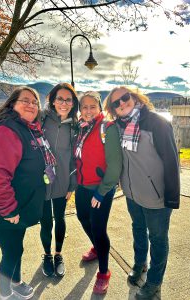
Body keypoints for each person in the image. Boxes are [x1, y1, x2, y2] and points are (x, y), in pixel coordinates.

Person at [104, 86, 180, 300]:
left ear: (134, 97)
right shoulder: (117, 127)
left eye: (125, 98)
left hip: (157, 197)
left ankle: (154, 282)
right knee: (138, 229)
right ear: (112, 110)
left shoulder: (157, 122)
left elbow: (172, 162)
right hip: (131, 194)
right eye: (115, 103)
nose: (121, 104)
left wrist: (172, 197)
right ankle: (140, 264)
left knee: (158, 239)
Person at [0, 86, 50, 300]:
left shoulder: (28, 129)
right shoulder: (8, 130)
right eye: (25, 100)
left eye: (35, 102)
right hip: (4, 210)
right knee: (12, 252)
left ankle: (16, 282)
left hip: (19, 207)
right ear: (12, 104)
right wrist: (8, 210)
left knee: (16, 248)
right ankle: (5, 294)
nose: (31, 105)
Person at [74, 91, 122, 294]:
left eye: (92, 106)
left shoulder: (107, 128)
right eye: (84, 106)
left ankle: (104, 272)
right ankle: (97, 247)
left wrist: (101, 192)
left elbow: (115, 165)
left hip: (101, 188)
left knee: (99, 228)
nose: (88, 110)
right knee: (83, 219)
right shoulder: (81, 128)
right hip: (82, 186)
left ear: (100, 108)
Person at [39, 83, 78, 277]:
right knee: (46, 221)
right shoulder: (42, 118)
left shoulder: (75, 125)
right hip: (43, 180)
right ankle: (46, 255)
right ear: (53, 100)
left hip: (63, 180)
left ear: (73, 103)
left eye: (68, 99)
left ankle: (58, 254)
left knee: (60, 219)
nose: (64, 102)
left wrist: (72, 184)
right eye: (60, 98)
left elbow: (75, 159)